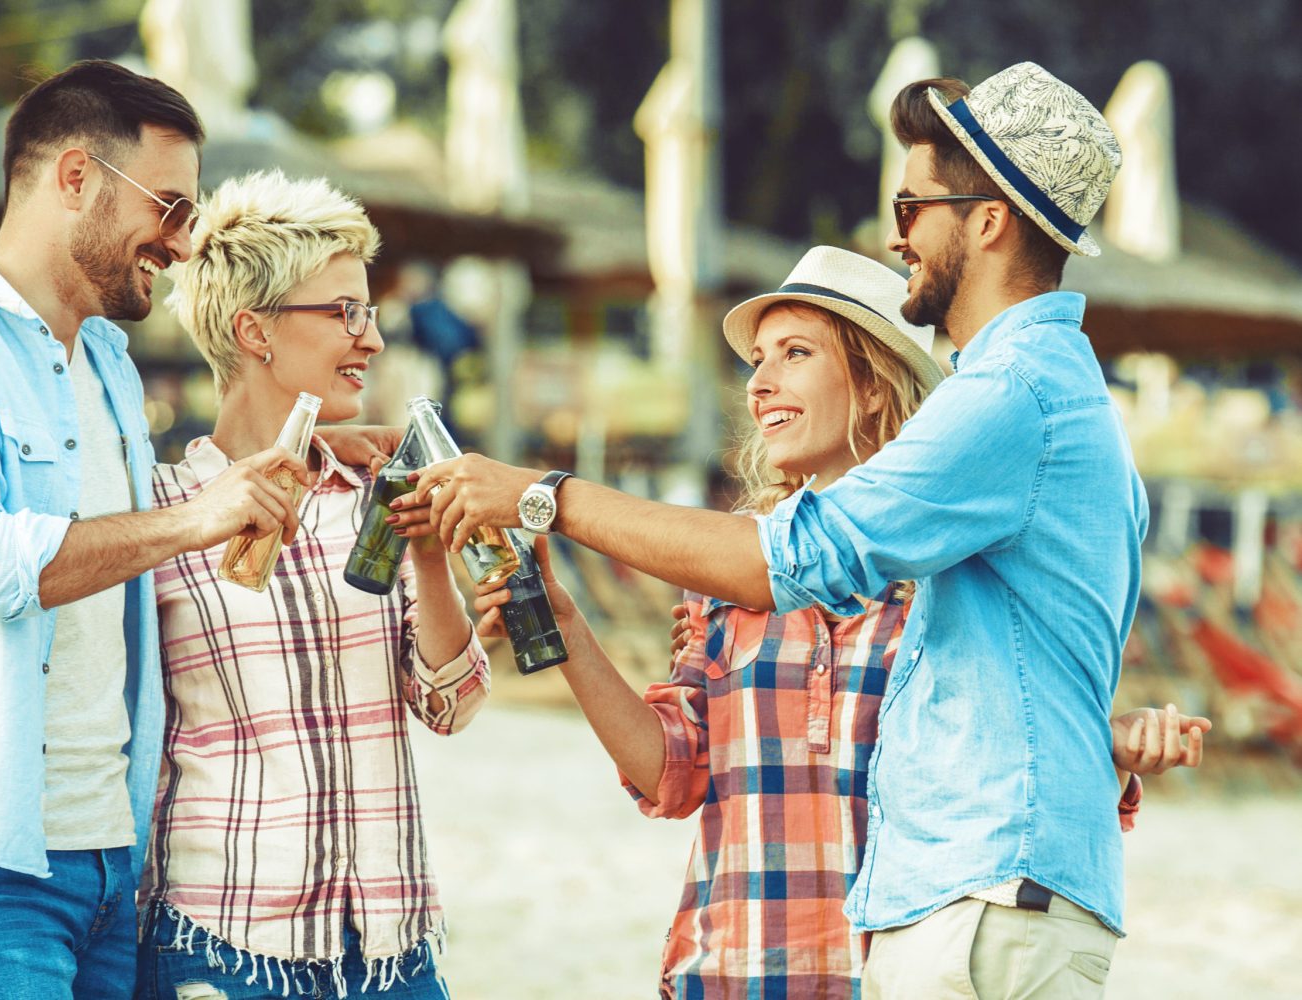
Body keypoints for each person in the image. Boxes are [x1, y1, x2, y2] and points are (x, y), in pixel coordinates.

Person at [395, 63, 1186, 997]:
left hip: (971, 905)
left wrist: (542, 493)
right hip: (813, 942)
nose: (898, 233)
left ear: (987, 220)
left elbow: (792, 562)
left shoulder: (1007, 399)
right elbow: (684, 762)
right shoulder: (1045, 401)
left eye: (913, 203)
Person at [0, 61, 386, 998]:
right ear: (77, 178)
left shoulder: (110, 368)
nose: (178, 243)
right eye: (169, 208)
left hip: (108, 855)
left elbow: (121, 559)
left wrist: (312, 446)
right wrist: (193, 518)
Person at [137, 169, 485, 998]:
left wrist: (429, 556)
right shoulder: (157, 513)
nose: (371, 339)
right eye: (343, 312)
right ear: (253, 330)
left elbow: (451, 705)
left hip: (392, 952)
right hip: (221, 942)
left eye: (366, 311)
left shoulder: (376, 495)